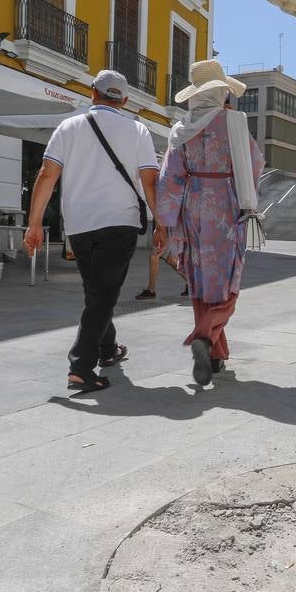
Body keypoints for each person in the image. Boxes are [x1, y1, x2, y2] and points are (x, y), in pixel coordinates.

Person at [25, 70, 161, 393]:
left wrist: (34, 223)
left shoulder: (68, 127)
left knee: (97, 291)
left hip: (79, 226)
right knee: (102, 294)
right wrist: (162, 223)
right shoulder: (138, 130)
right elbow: (150, 181)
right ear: (125, 101)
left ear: (92, 93)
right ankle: (81, 368)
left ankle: (107, 349)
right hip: (120, 222)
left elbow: (46, 175)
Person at [156, 58, 264, 386]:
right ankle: (203, 337)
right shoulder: (233, 123)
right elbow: (255, 163)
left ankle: (215, 356)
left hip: (192, 206)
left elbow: (170, 178)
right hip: (226, 207)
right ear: (220, 93)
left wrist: (165, 222)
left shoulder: (180, 129)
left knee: (201, 281)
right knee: (228, 281)